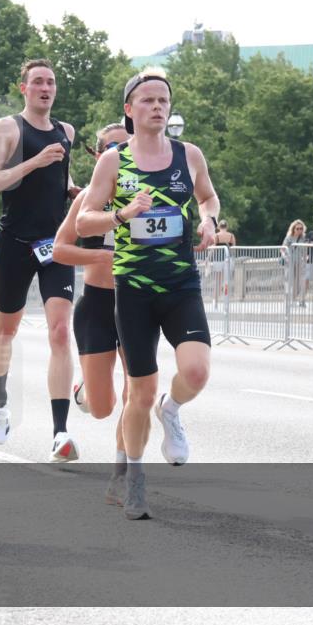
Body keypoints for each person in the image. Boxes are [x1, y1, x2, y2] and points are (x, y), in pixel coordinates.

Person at [77, 68, 220, 520]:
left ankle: (172, 409)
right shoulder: (114, 161)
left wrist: (209, 222)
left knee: (195, 372)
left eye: (163, 100)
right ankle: (133, 478)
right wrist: (122, 215)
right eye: (148, 100)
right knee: (138, 393)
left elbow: (209, 198)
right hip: (133, 289)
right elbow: (84, 221)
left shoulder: (188, 155)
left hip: (181, 284)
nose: (157, 106)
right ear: (129, 109)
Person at [0, 58, 80, 459]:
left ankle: (60, 432)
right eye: (37, 81)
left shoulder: (65, 132)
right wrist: (34, 161)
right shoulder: (8, 128)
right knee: (7, 329)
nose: (45, 87)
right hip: (16, 244)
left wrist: (75, 192)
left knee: (59, 331)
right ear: (24, 88)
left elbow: (61, 178)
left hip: (55, 244)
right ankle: (0, 397)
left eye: (51, 82)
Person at [53, 122, 131, 500]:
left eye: (125, 146)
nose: (119, 152)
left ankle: (123, 473)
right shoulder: (87, 199)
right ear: (99, 155)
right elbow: (60, 249)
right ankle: (84, 389)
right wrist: (102, 255)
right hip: (97, 305)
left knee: (138, 394)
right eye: (111, 147)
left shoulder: (149, 196)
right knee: (103, 408)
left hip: (136, 305)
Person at [281, 219, 307, 305]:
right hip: (290, 261)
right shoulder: (289, 237)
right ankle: (288, 299)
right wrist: (285, 257)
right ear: (293, 229)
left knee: (299, 281)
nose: (299, 230)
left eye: (301, 228)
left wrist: (306, 257)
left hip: (299, 261)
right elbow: (283, 248)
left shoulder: (303, 238)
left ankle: (295, 298)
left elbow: (305, 250)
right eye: (297, 228)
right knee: (289, 280)